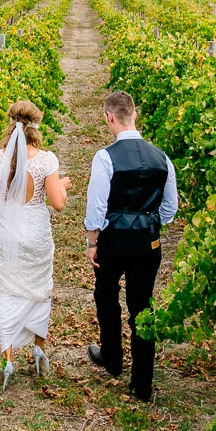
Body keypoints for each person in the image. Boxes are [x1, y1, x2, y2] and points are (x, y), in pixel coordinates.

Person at [84, 90, 178, 402]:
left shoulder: (105, 157)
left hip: (113, 240)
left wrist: (92, 241)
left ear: (109, 118)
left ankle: (112, 357)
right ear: (134, 115)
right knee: (142, 305)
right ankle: (142, 383)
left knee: (106, 295)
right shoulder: (162, 157)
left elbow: (96, 205)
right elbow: (170, 207)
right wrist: (150, 224)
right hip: (147, 242)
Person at [0, 99, 69, 388]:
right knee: (39, 290)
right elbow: (58, 204)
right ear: (36, 127)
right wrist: (61, 186)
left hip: (5, 233)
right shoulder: (46, 160)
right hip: (35, 233)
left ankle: (8, 359)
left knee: (5, 292)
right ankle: (39, 350)